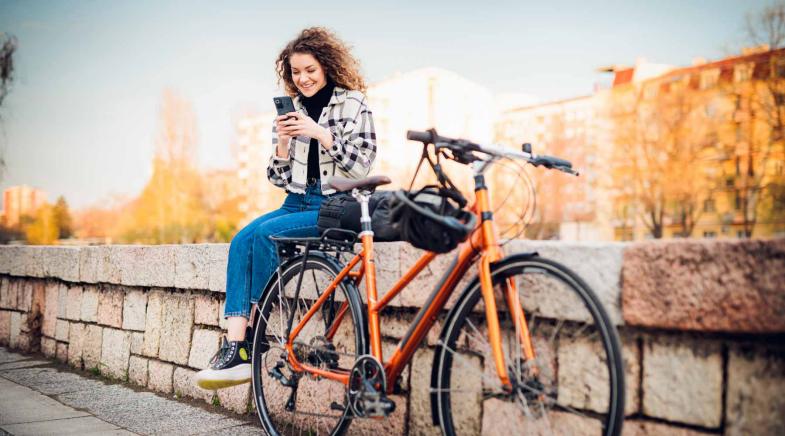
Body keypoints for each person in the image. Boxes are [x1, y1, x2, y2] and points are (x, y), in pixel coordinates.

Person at [196, 27, 376, 389]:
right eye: (295, 72)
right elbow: (277, 178)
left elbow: (363, 165)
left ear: (326, 66)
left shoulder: (353, 102)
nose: (303, 78)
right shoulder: (291, 108)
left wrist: (320, 133)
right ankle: (235, 346)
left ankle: (251, 339)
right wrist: (281, 145)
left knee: (264, 235)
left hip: (335, 204)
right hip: (296, 200)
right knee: (242, 238)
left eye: (309, 70)